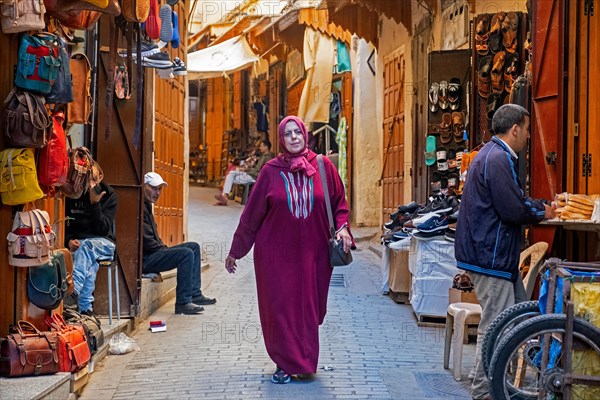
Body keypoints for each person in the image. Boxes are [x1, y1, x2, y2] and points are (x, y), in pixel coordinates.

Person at [225, 116, 353, 384]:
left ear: (305, 135)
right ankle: (284, 363)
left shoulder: (323, 166)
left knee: (309, 309)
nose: (294, 137)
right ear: (281, 139)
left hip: (314, 256)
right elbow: (252, 215)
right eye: (288, 134)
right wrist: (236, 250)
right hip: (276, 258)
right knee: (282, 309)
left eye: (298, 132)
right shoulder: (270, 171)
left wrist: (342, 229)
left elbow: (339, 203)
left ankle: (304, 361)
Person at [454, 104, 556, 400]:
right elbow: (511, 208)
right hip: (490, 255)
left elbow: (512, 201)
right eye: (525, 129)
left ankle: (490, 377)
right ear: (515, 129)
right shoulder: (498, 158)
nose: (527, 136)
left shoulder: (491, 154)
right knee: (496, 323)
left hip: (493, 255)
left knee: (518, 317)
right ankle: (485, 389)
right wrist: (541, 211)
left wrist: (536, 206)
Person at [142, 172, 216, 315]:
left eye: (159, 189)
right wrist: (164, 250)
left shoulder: (147, 206)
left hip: (154, 253)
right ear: (144, 187)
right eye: (153, 188)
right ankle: (182, 302)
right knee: (186, 253)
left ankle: (194, 293)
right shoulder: (139, 208)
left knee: (193, 247)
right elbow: (147, 242)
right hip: (146, 260)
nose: (157, 193)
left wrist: (163, 249)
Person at [63, 180, 118, 318]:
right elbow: (65, 223)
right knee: (90, 264)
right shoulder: (72, 192)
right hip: (81, 246)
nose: (91, 183)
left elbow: (103, 229)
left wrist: (95, 204)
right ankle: (85, 309)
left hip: (104, 243)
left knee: (87, 248)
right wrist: (68, 241)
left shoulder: (108, 194)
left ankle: (72, 290)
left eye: (94, 178)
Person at [214, 140, 275, 205]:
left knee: (231, 176)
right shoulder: (263, 156)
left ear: (266, 147)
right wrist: (247, 168)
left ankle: (224, 197)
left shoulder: (268, 158)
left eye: (261, 146)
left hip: (254, 177)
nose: (260, 148)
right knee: (231, 174)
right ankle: (224, 196)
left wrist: (246, 170)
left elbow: (261, 171)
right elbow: (256, 168)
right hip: (251, 174)